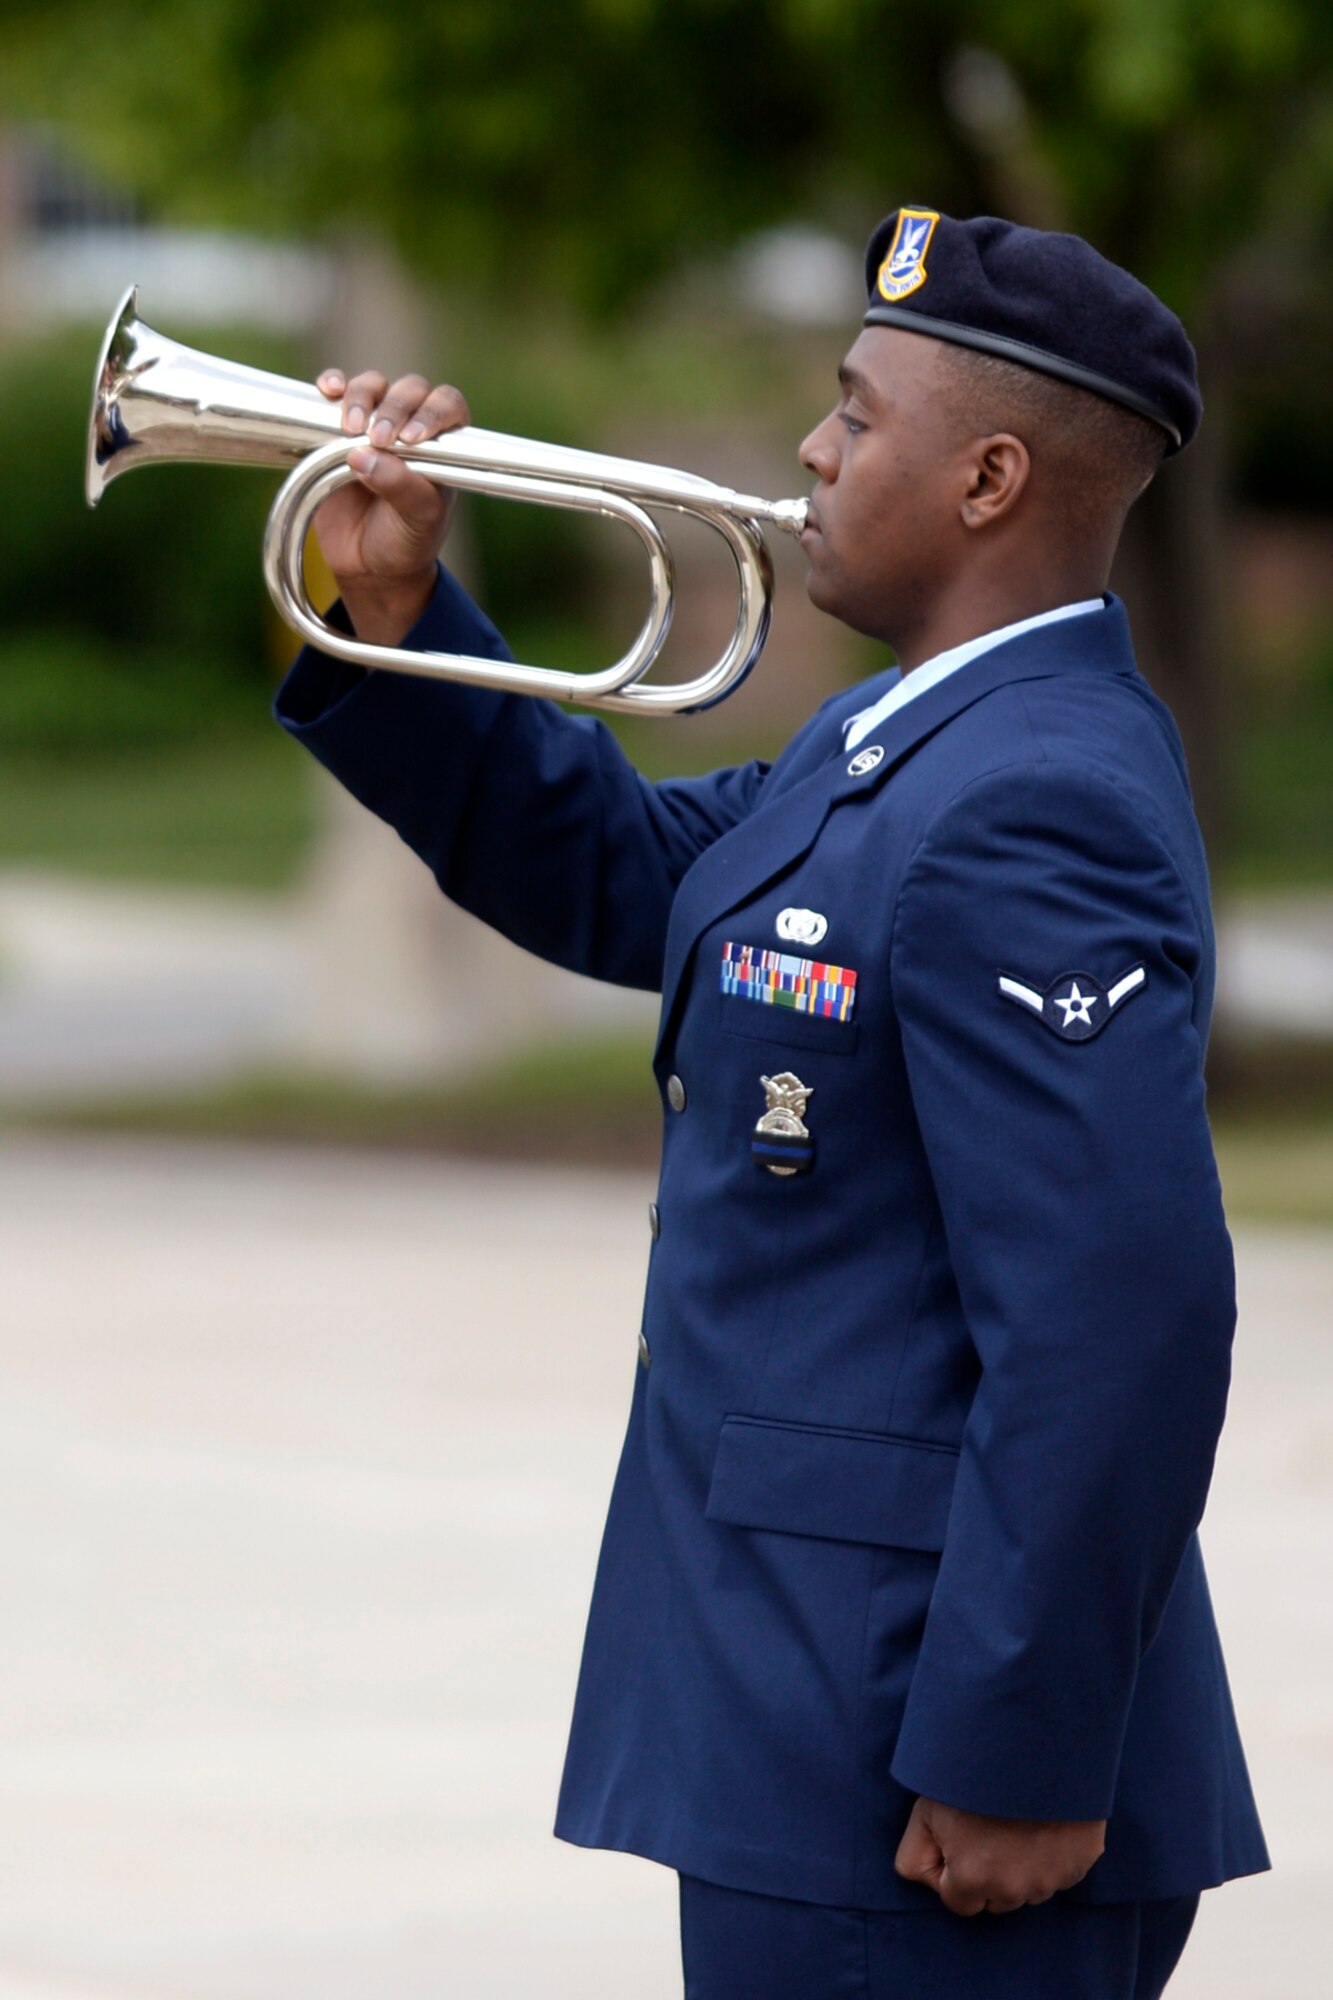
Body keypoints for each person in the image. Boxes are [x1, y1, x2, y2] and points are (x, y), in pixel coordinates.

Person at [273, 208, 1269, 1999]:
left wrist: (1018, 1750)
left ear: (982, 479)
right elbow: (623, 873)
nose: (810, 451)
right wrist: (400, 613)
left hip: (926, 1763)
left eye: (852, 414)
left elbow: (1116, 1322)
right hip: (815, 1725)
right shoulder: (903, 743)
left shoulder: (1031, 801)